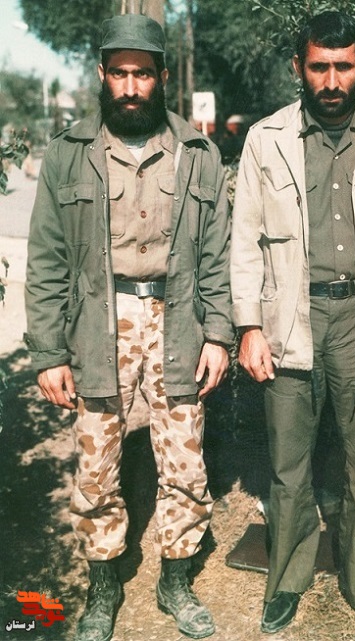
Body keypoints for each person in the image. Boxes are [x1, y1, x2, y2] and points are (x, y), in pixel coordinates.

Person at [24, 14, 232, 641]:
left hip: (178, 317)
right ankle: (102, 587)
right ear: (102, 75)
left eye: (143, 73)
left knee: (185, 460)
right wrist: (48, 353)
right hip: (99, 320)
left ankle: (175, 582)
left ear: (163, 76)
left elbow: (218, 254)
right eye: (120, 74)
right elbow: (47, 259)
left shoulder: (198, 153)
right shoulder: (69, 154)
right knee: (96, 463)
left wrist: (218, 334)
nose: (132, 87)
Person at [230, 10, 355, 635]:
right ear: (299, 67)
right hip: (290, 318)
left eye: (344, 66)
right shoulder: (266, 140)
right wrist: (248, 325)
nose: (332, 81)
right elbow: (244, 242)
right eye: (319, 67)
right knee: (288, 468)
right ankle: (286, 582)